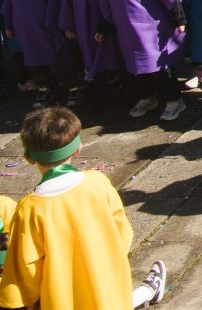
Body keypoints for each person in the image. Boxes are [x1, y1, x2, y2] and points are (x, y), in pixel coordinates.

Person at [0, 107, 167, 309]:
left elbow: (25, 273)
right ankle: (149, 290)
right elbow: (122, 234)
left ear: (28, 156)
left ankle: (149, 290)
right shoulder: (98, 183)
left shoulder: (30, 210)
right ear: (78, 148)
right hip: (107, 291)